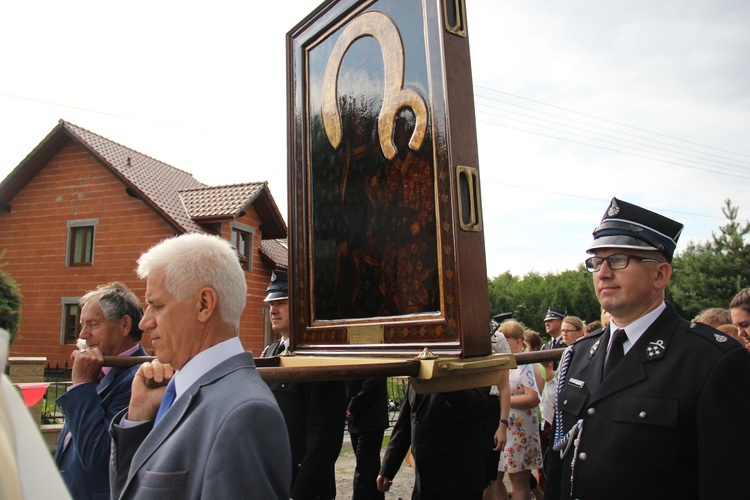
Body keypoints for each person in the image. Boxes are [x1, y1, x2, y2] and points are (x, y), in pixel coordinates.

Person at [546, 197, 750, 499]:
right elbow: (560, 470)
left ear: (660, 275)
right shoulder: (578, 355)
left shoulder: (712, 362)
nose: (602, 273)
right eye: (596, 262)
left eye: (618, 260)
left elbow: (727, 482)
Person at [109, 233, 291, 499]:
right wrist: (138, 417)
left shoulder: (243, 415)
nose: (144, 323)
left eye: (156, 306)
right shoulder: (180, 391)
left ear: (204, 304)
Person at [54, 282, 147, 499]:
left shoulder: (138, 379)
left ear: (124, 326)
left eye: (93, 324)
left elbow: (97, 456)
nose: (83, 335)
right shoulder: (98, 370)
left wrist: (82, 385)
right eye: (82, 325)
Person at [261, 270, 347, 500]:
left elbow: (323, 442)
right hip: (274, 479)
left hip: (303, 487)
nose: (273, 309)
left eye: (281, 302)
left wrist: (300, 493)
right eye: (271, 303)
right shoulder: (270, 353)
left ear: (300, 306)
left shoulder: (318, 358)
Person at [377, 384, 489, 499]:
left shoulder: (476, 370)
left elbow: (471, 407)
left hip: (459, 482)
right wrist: (388, 469)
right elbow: (405, 425)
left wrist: (440, 376)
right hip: (424, 482)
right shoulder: (419, 373)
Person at [496, 320, 542, 500]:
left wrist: (504, 400)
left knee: (519, 481)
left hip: (520, 429)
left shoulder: (524, 363)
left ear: (518, 341)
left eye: (506, 340)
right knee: (495, 478)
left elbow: (533, 397)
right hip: (504, 426)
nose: (503, 345)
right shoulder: (502, 362)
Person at [346, 378, 389, 500]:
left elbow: (373, 383)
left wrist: (351, 407)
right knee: (370, 468)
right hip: (359, 420)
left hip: (371, 420)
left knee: (365, 469)